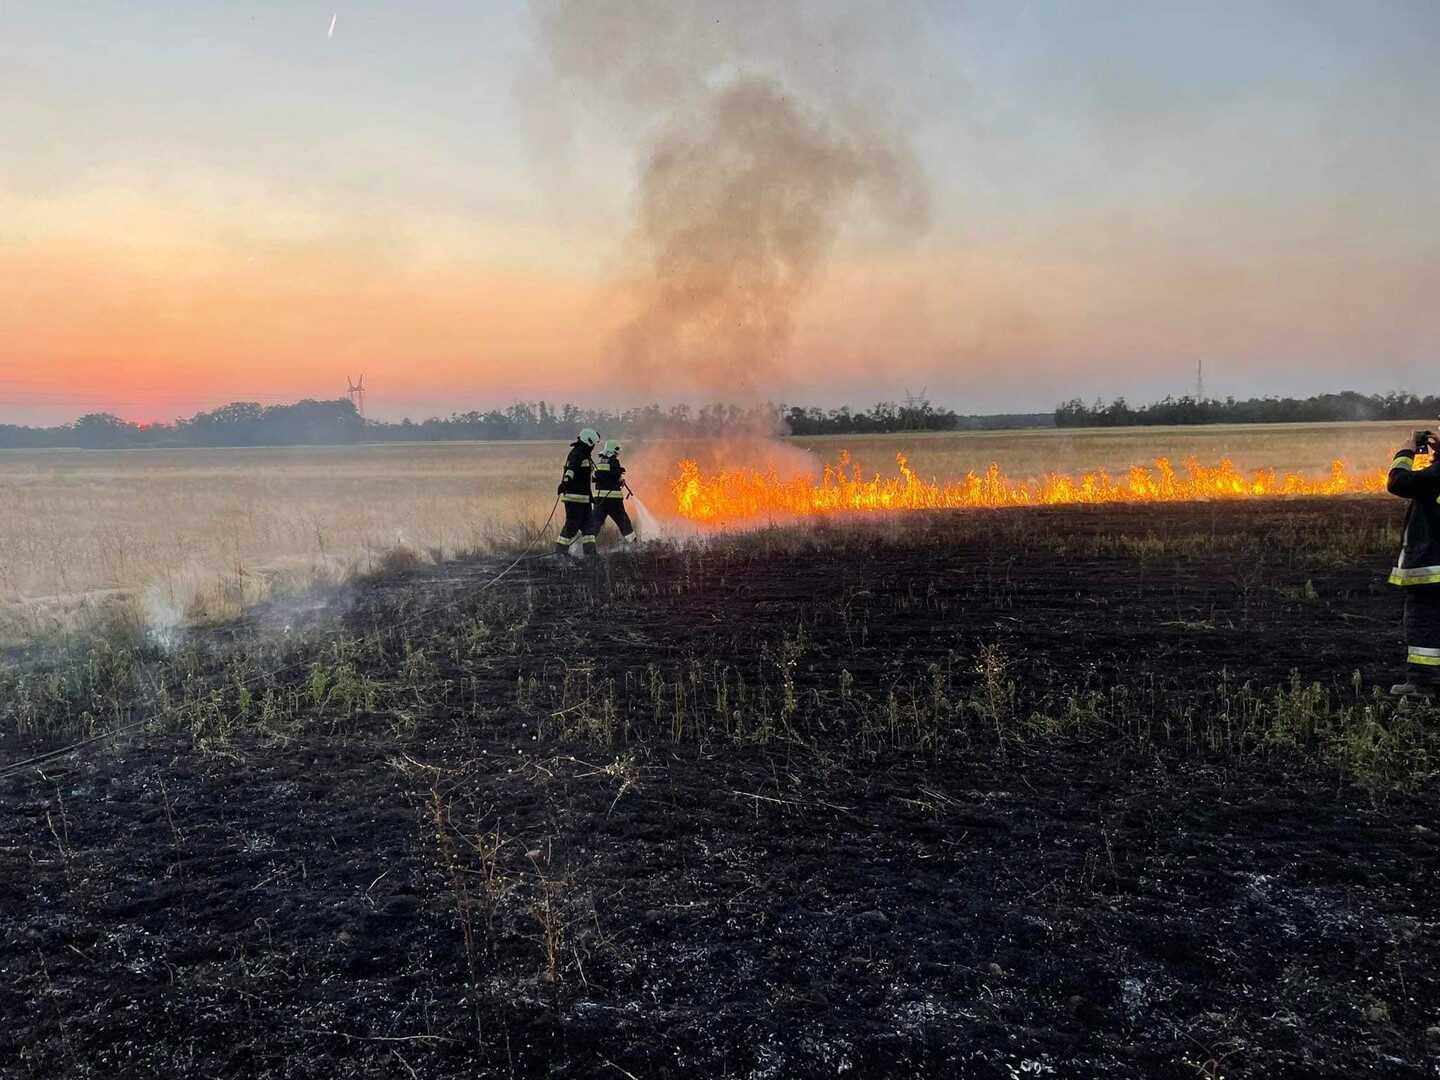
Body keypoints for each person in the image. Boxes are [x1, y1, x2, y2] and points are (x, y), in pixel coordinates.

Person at [1386, 427, 1440, 696]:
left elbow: (1398, 482)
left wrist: (1406, 449)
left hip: (1432, 566)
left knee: (1424, 623)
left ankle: (1424, 683)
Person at [554, 428, 600, 560]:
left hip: (584, 499)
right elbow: (570, 470)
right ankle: (560, 552)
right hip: (574, 498)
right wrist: (565, 483)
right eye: (593, 444)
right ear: (588, 442)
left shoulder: (584, 455)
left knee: (589, 528)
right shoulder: (576, 454)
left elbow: (584, 474)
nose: (594, 447)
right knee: (572, 525)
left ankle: (590, 553)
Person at [592, 438, 637, 545]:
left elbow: (595, 477)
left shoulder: (599, 463)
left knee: (595, 523)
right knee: (623, 522)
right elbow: (615, 474)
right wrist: (621, 477)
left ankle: (587, 546)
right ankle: (635, 545)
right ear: (615, 450)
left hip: (599, 500)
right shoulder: (613, 461)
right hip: (613, 501)